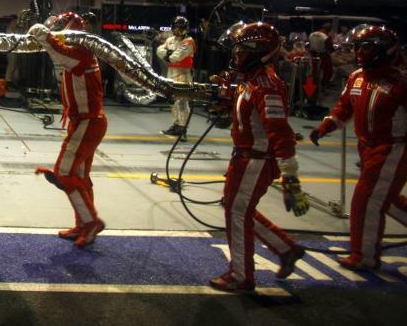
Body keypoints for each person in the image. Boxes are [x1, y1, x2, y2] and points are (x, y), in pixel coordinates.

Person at [209, 22, 309, 292]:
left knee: (237, 212)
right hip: (246, 157)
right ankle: (286, 248)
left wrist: (291, 175)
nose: (237, 55)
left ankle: (242, 276)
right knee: (237, 209)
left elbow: (280, 132)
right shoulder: (253, 79)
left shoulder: (267, 85)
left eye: (243, 50)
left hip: (255, 160)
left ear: (261, 50)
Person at [309, 24, 407, 271]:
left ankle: (364, 255)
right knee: (386, 199)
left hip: (392, 148)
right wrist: (325, 126)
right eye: (359, 46)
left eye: (367, 47)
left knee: (366, 201)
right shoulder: (357, 76)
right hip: (366, 148)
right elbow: (344, 108)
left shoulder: (400, 83)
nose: (360, 52)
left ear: (384, 50)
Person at [29, 11, 107, 248]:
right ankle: (83, 224)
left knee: (64, 173)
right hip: (87, 121)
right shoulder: (82, 52)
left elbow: (59, 53)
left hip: (87, 122)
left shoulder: (80, 53)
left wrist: (44, 36)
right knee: (80, 176)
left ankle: (90, 221)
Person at [156, 16, 196, 139]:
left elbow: (176, 57)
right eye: (176, 28)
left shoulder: (189, 41)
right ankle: (177, 125)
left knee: (182, 102)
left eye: (181, 28)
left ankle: (183, 129)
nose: (178, 31)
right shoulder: (170, 40)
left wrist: (168, 54)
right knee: (172, 100)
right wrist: (169, 53)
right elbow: (159, 50)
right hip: (171, 72)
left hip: (183, 73)